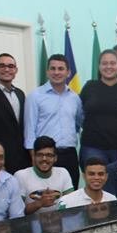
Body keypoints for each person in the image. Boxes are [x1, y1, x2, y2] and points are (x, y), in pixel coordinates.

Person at [24, 54, 83, 187]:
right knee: (46, 194)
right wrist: (34, 157)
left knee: (71, 193)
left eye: (61, 69)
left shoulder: (75, 98)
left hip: (69, 154)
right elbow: (29, 129)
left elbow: (78, 123)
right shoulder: (35, 96)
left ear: (68, 72)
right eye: (53, 68)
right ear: (47, 71)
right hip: (45, 155)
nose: (56, 72)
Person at [79, 49, 117, 165]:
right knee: (95, 176)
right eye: (104, 63)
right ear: (99, 66)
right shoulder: (89, 87)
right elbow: (78, 114)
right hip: (92, 146)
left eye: (112, 63)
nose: (108, 66)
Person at [15, 136, 74, 214]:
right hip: (31, 221)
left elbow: (71, 204)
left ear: (55, 158)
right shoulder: (21, 176)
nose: (44, 159)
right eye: (40, 155)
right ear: (34, 156)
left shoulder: (63, 173)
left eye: (49, 155)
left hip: (59, 220)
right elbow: (17, 213)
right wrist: (40, 203)